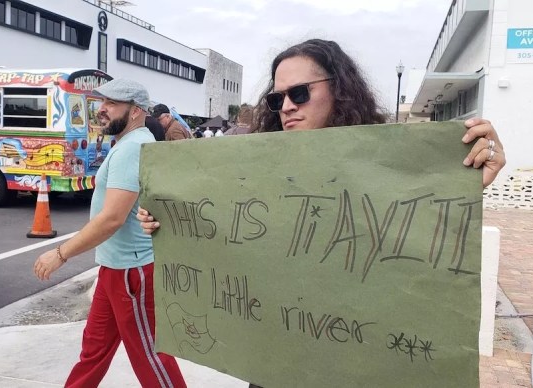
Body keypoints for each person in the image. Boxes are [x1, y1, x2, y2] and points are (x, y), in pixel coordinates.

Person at [135, 38, 506, 388]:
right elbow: (222, 235)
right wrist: (165, 223)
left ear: (338, 89)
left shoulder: (387, 165)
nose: (287, 107)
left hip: (350, 362)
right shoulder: (249, 170)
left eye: (300, 92)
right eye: (276, 99)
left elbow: (419, 230)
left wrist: (469, 174)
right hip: (271, 360)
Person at [33, 79, 187, 388]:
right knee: (93, 351)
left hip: (131, 274)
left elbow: (112, 219)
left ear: (134, 111)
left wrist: (61, 253)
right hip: (114, 268)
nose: (101, 110)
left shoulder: (132, 148)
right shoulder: (127, 144)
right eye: (102, 103)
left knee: (151, 359)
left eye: (111, 104)